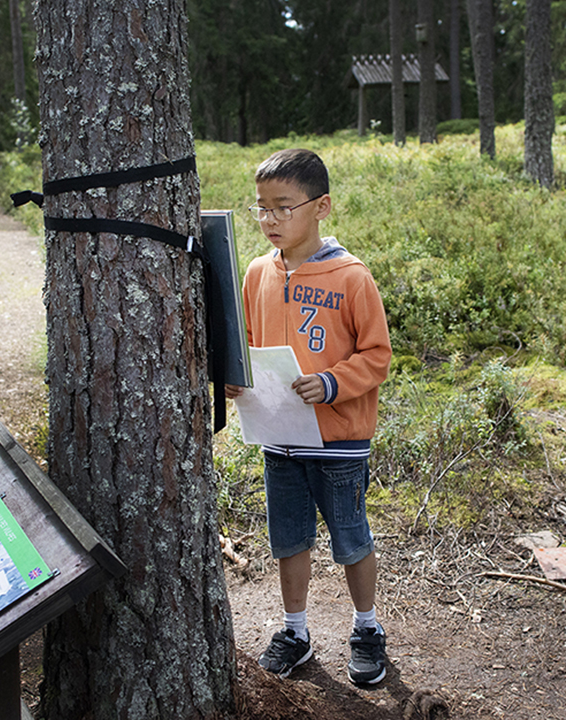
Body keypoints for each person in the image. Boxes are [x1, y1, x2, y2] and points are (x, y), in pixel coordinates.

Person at [225, 148, 392, 685]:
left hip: (339, 440)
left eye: (283, 207)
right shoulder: (256, 274)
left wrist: (330, 383)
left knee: (350, 536)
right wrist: (237, 377)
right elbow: (248, 343)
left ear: (320, 207)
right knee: (289, 538)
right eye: (261, 208)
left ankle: (367, 628)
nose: (270, 219)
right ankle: (295, 632)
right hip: (280, 437)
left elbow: (377, 354)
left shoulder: (351, 277)